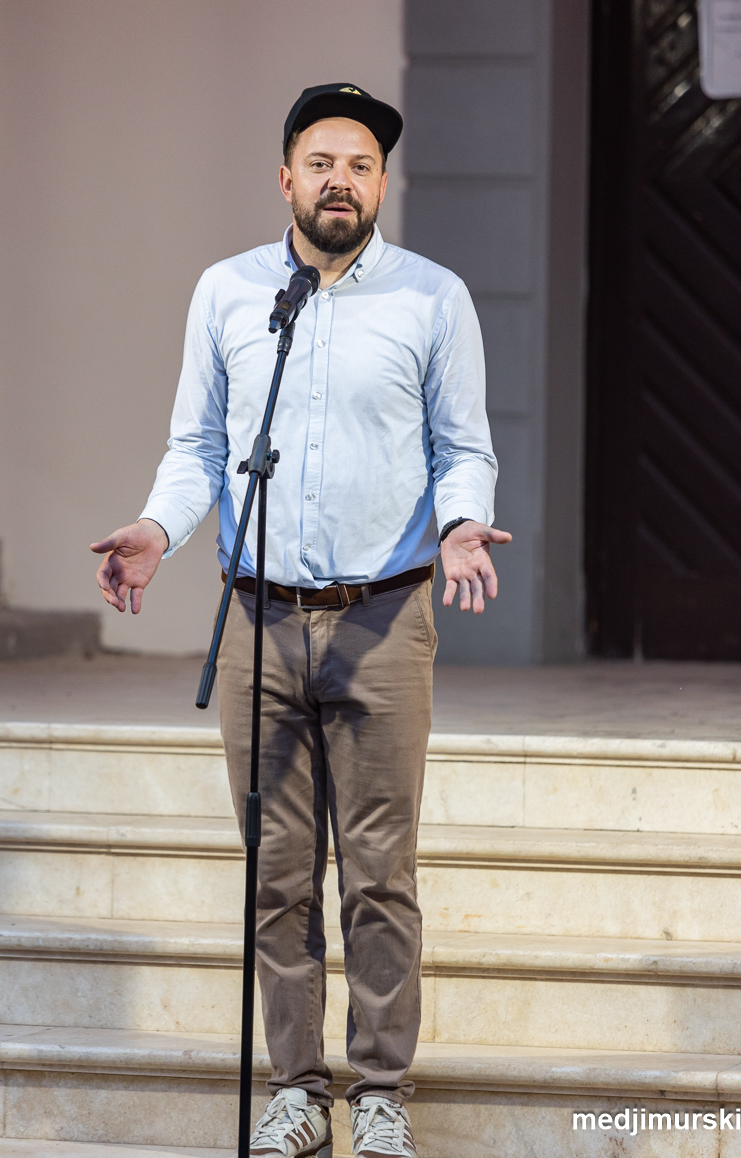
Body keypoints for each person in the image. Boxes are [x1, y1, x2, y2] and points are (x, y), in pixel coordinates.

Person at [91, 83, 510, 1158]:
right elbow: (198, 447)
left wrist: (462, 522)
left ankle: (381, 1094)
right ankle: (295, 1091)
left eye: (361, 165)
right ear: (285, 179)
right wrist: (157, 528)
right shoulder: (231, 293)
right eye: (321, 163)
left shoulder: (432, 298)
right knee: (277, 875)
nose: (341, 181)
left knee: (379, 874)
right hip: (258, 620)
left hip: (384, 618)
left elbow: (462, 446)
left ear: (382, 185)